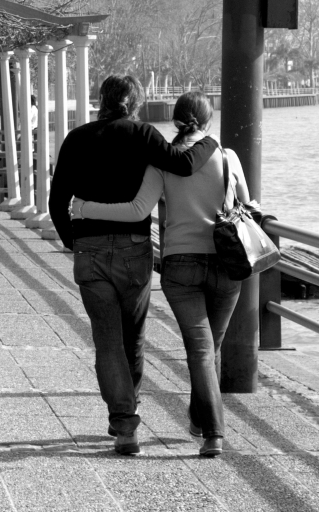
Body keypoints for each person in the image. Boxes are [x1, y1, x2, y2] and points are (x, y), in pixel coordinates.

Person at [71, 91, 252, 458]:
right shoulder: (227, 156)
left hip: (181, 265)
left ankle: (211, 430)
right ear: (208, 120)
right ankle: (205, 428)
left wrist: (86, 207)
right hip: (227, 263)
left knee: (200, 349)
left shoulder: (161, 163)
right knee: (209, 347)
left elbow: (138, 209)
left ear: (175, 120)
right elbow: (247, 204)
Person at [48, 75, 219, 456]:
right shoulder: (143, 134)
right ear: (136, 102)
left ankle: (125, 427)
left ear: (101, 99)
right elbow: (185, 164)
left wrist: (71, 240)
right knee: (133, 338)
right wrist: (209, 138)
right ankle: (131, 405)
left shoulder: (77, 138)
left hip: (89, 247)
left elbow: (56, 199)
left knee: (106, 340)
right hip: (134, 248)